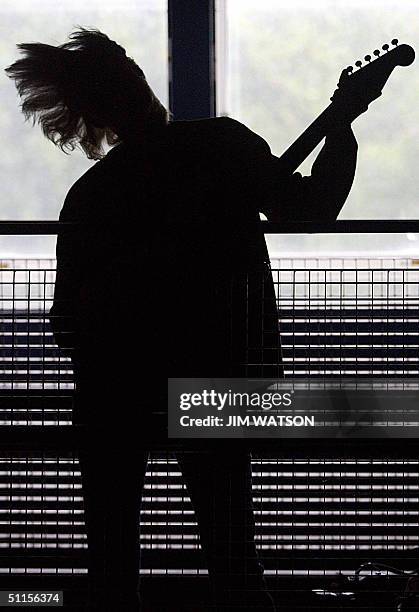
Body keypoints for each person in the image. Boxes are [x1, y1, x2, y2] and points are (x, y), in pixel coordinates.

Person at [5, 28, 360, 612]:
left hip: (112, 396)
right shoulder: (221, 145)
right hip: (213, 382)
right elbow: (312, 208)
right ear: (135, 82)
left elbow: (65, 322)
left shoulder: (91, 195)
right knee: (234, 563)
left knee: (112, 570)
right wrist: (342, 124)